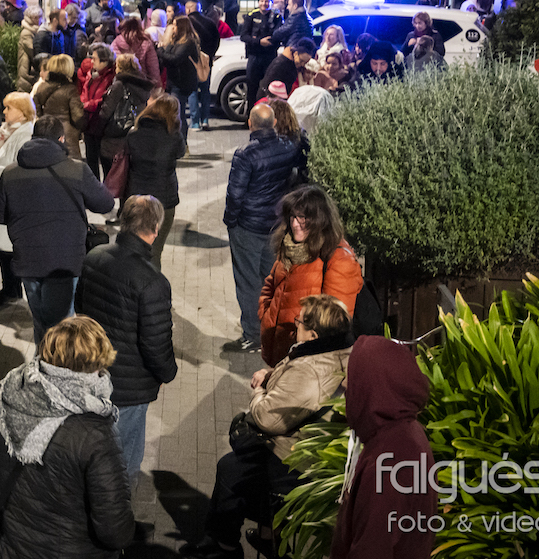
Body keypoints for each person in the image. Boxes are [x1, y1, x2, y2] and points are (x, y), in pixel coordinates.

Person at [185, 296, 353, 559]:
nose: (294, 327)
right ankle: (265, 537)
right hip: (310, 449)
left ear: (313, 334)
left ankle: (226, 546)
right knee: (236, 467)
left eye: (299, 322)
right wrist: (272, 373)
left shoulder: (310, 371)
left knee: (230, 470)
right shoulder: (337, 352)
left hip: (294, 460)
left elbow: (267, 417)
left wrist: (260, 390)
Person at [0, 315, 135, 559]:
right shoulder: (96, 434)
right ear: (96, 362)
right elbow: (114, 531)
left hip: (15, 546)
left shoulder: (16, 394)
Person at [75, 196, 177, 483]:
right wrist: (167, 373)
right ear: (155, 229)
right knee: (123, 462)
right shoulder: (153, 281)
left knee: (94, 449)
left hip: (91, 372)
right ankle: (116, 511)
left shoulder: (94, 257)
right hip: (129, 389)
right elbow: (155, 343)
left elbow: (80, 309)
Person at [0, 115, 114, 342]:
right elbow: (106, 203)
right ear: (61, 139)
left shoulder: (10, 173)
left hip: (27, 258)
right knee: (62, 324)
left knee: (41, 320)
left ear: (33, 138)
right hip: (65, 261)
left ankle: (44, 358)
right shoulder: (77, 170)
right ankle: (57, 362)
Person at [330, 336, 435, 559]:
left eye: (354, 378)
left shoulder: (389, 462)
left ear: (372, 386)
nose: (346, 384)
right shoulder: (403, 434)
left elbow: (371, 549)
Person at [222, 104, 302, 353]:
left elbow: (235, 195)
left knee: (247, 281)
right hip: (274, 224)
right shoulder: (287, 147)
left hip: (248, 226)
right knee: (270, 279)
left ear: (250, 124)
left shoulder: (245, 155)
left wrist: (231, 221)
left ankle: (252, 335)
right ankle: (273, 328)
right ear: (274, 123)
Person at [258, 186, 363, 367]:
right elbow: (270, 286)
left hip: (308, 361)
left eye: (303, 218)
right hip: (281, 352)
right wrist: (266, 314)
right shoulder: (290, 246)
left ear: (320, 220)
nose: (295, 224)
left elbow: (333, 325)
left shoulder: (338, 260)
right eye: (293, 216)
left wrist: (299, 338)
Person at [0, 92, 35, 307]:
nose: (4, 112)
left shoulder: (25, 135)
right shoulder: (6, 131)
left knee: (7, 248)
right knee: (1, 249)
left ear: (23, 112)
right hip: (0, 194)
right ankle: (9, 289)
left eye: (9, 108)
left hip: (10, 196)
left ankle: (12, 291)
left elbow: (15, 168)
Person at [123, 94, 185, 268]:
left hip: (136, 197)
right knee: (155, 251)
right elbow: (180, 152)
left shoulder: (133, 134)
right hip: (164, 198)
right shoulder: (174, 137)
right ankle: (151, 282)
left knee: (132, 248)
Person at [96, 53, 154, 178]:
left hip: (115, 138)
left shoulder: (119, 85)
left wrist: (99, 129)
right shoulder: (143, 86)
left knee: (111, 178)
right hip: (135, 135)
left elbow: (106, 111)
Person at [34, 54, 87, 160]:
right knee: (70, 166)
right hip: (67, 137)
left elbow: (37, 112)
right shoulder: (70, 90)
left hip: (47, 133)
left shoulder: (41, 88)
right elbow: (78, 117)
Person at [158, 15, 201, 141]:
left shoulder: (188, 42)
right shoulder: (175, 41)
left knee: (178, 114)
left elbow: (174, 59)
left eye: (175, 25)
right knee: (174, 112)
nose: (173, 28)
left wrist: (160, 51)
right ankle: (177, 141)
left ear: (182, 27)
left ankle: (182, 143)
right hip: (173, 82)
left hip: (182, 83)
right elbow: (167, 58)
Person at [76, 43, 116, 179]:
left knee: (106, 162)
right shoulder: (91, 74)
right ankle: (93, 188)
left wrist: (87, 105)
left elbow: (105, 99)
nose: (91, 61)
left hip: (102, 123)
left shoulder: (112, 77)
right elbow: (84, 92)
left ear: (104, 60)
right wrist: (84, 103)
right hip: (89, 122)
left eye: (94, 58)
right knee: (91, 160)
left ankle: (107, 190)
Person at [240, 0, 282, 112]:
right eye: (262, 1)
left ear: (271, 3)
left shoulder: (277, 17)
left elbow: (279, 35)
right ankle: (250, 115)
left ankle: (267, 114)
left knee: (268, 87)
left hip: (269, 57)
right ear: (258, 2)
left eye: (267, 1)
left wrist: (269, 42)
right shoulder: (251, 16)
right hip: (254, 56)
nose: (264, 4)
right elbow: (243, 36)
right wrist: (259, 41)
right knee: (251, 87)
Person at [186, 0, 220, 130]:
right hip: (206, 61)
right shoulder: (210, 23)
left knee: (192, 91)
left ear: (189, 9)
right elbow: (216, 41)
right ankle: (205, 120)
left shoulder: (187, 23)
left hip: (191, 62)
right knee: (205, 91)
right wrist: (209, 55)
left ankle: (195, 122)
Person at [110, 16, 161, 87]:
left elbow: (113, 60)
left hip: (121, 82)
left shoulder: (116, 42)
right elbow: (153, 67)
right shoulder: (145, 42)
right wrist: (157, 85)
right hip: (142, 83)